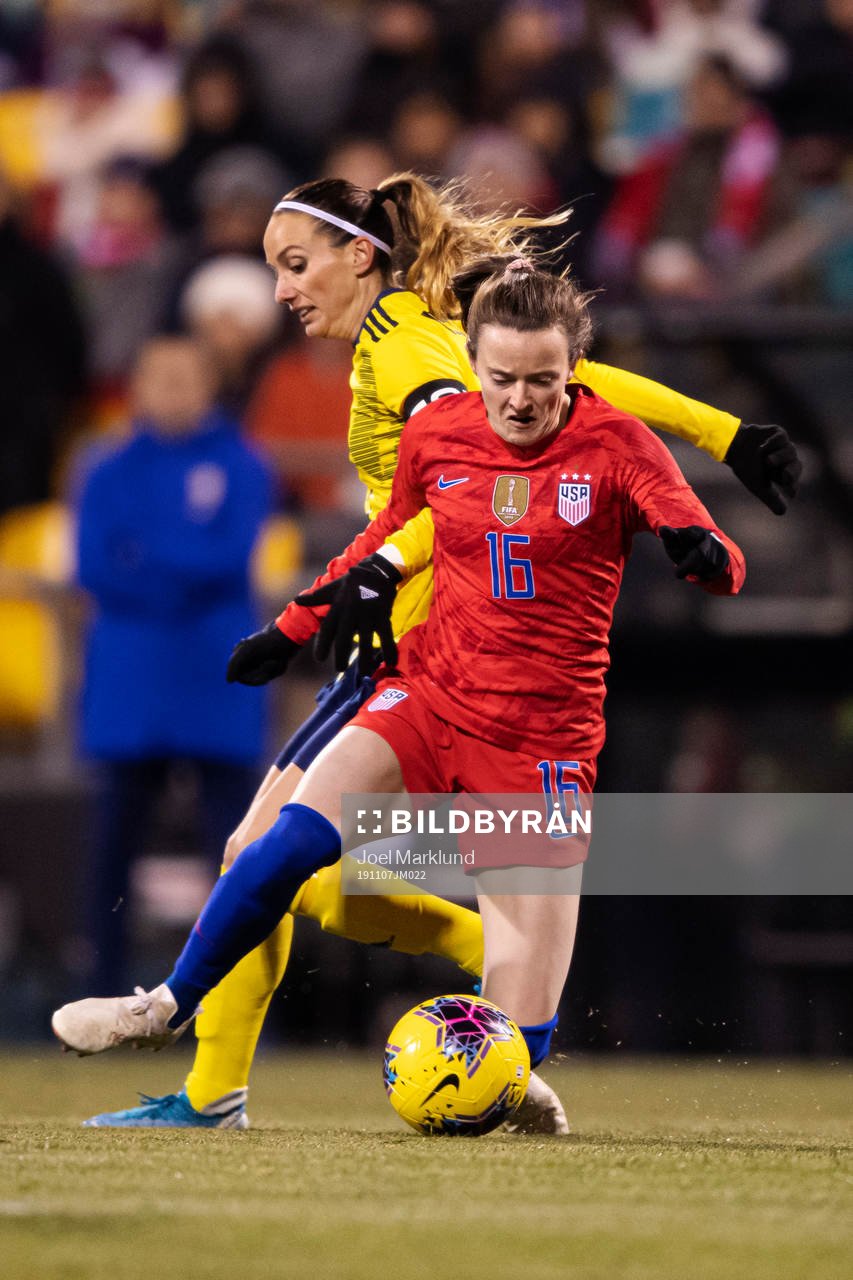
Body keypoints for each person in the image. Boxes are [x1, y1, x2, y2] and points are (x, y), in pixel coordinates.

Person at [68, 172, 798, 1132]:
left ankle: (242, 1077)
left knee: (272, 854)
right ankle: (206, 1068)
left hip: (436, 639)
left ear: (357, 255)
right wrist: (304, 616)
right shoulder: (417, 345)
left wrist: (712, 457)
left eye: (295, 264)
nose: (284, 290)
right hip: (420, 644)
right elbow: (500, 424)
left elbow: (545, 407)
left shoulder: (418, 354)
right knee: (276, 853)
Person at [75, 335, 272, 993]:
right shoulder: (102, 466)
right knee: (110, 851)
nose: (171, 391)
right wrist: (181, 564)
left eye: (185, 378)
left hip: (214, 676)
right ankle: (101, 990)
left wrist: (146, 557)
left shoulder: (242, 464)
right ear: (134, 384)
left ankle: (238, 1005)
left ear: (210, 385)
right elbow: (94, 567)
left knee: (239, 849)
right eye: (157, 377)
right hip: (133, 682)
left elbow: (231, 558)